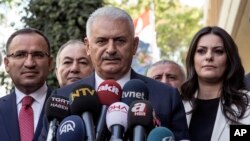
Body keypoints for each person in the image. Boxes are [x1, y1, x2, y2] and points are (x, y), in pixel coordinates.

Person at [40, 6, 189, 140]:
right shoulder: (62, 98)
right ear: (87, 46)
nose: (111, 49)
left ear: (134, 45)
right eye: (101, 41)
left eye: (120, 40)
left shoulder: (167, 96)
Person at [181, 26, 250, 141]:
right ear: (192, 59)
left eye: (218, 51)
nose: (208, 57)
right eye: (201, 51)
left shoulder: (247, 103)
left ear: (229, 60)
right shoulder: (178, 104)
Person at [0, 28, 54, 141]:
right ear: (7, 64)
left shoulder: (67, 106)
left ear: (49, 63)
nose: (29, 63)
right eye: (20, 55)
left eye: (38, 55)